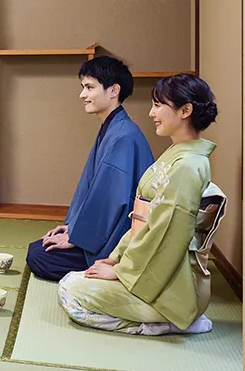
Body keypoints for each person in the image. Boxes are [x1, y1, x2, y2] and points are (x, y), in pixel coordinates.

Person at [58, 73, 225, 335]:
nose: (151, 113)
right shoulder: (176, 156)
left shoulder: (187, 166)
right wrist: (115, 259)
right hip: (146, 269)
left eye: (158, 105)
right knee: (72, 280)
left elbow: (166, 236)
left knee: (72, 294)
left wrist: (121, 271)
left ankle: (170, 321)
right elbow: (143, 222)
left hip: (169, 288)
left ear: (185, 111)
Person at [26, 56, 154, 281]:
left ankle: (113, 272)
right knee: (39, 248)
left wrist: (77, 238)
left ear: (114, 90)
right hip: (104, 231)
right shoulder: (114, 128)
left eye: (89, 87)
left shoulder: (123, 135)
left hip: (118, 239)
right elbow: (91, 189)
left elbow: (111, 201)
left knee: (39, 256)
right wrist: (72, 228)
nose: (82, 95)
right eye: (83, 87)